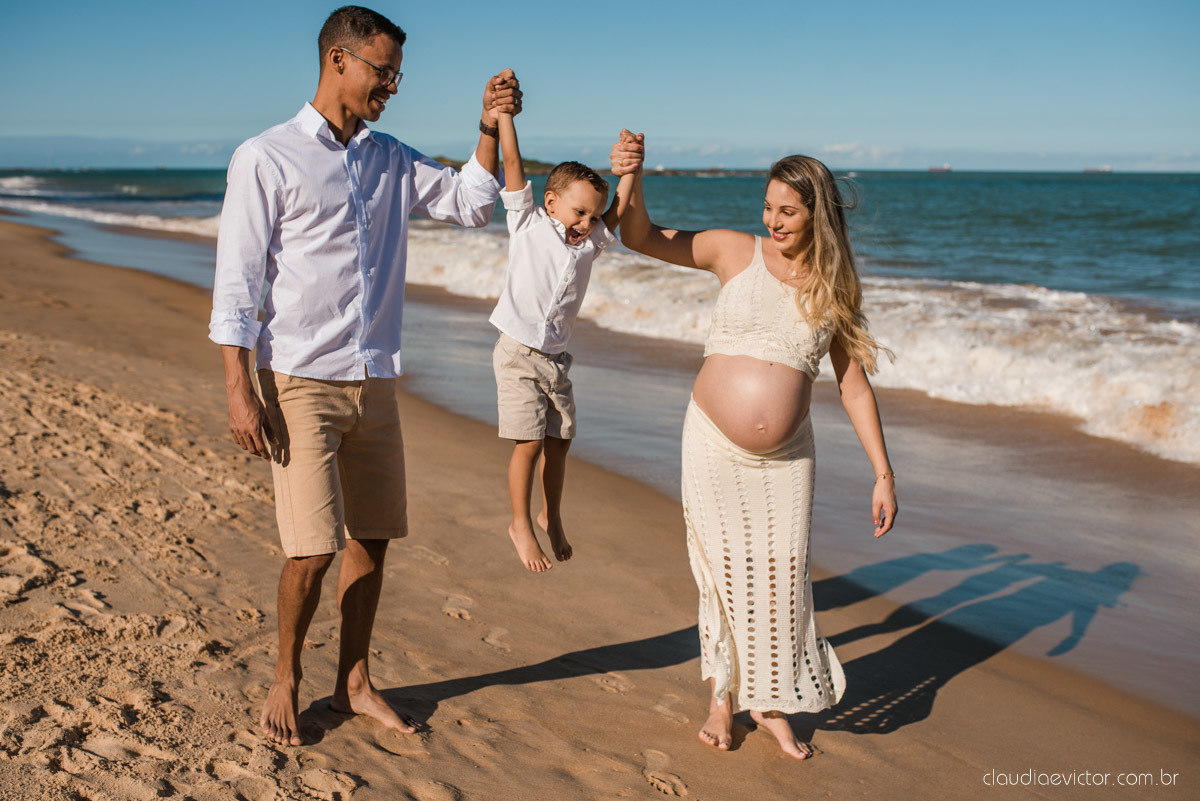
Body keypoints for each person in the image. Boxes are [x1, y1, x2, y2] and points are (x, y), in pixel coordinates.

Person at [208, 5, 520, 746]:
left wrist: (487, 123)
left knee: (374, 536)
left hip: (375, 380)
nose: (393, 86)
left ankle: (352, 681)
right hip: (299, 383)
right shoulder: (267, 156)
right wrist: (238, 388)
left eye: (397, 74)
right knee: (311, 547)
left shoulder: (390, 158)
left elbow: (473, 205)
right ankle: (285, 673)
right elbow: (238, 283)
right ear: (339, 60)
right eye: (384, 72)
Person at [614, 132, 898, 759]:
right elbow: (639, 236)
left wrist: (884, 473)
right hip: (712, 441)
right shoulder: (733, 251)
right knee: (719, 572)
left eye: (788, 211)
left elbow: (852, 385)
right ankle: (722, 697)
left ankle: (768, 701)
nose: (772, 221)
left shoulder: (833, 286)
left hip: (788, 458)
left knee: (781, 577)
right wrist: (631, 177)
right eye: (768, 206)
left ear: (816, 213)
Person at [487, 111, 637, 571]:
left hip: (556, 361)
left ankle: (550, 514)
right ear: (550, 202)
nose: (587, 222)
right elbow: (510, 161)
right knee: (528, 443)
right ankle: (519, 523)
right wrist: (504, 117)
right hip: (516, 354)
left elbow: (621, 211)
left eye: (592, 216)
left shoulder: (591, 243)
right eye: (579, 212)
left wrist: (629, 169)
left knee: (560, 441)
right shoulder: (527, 223)